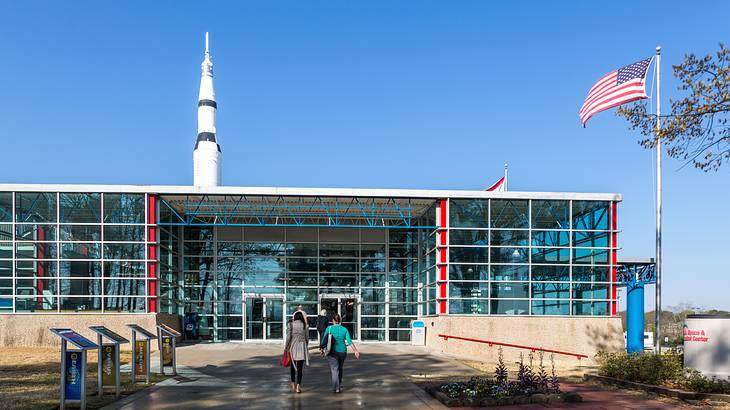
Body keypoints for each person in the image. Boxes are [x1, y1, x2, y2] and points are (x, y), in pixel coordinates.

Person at [320, 313, 360, 393]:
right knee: (340, 368)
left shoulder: (329, 328)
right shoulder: (344, 329)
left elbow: (324, 340)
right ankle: (339, 385)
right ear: (340, 320)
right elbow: (349, 341)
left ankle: (336, 387)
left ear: (333, 320)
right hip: (342, 351)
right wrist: (355, 351)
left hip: (332, 351)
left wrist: (322, 350)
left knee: (334, 369)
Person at [284, 311, 310, 393]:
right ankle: (298, 386)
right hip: (301, 347)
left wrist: (286, 347)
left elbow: (288, 337)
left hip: (292, 347)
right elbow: (307, 338)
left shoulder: (290, 324)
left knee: (292, 367)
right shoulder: (304, 325)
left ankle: (292, 383)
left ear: (294, 317)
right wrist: (306, 345)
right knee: (300, 368)